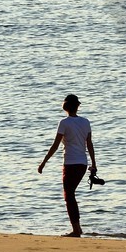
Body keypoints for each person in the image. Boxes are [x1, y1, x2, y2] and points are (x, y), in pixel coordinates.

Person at [37, 93, 97, 237]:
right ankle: (77, 228)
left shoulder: (64, 123)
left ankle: (76, 229)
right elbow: (89, 144)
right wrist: (93, 164)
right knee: (70, 194)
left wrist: (43, 162)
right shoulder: (85, 122)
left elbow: (55, 145)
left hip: (70, 163)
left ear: (65, 106)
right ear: (77, 106)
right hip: (82, 163)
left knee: (69, 195)